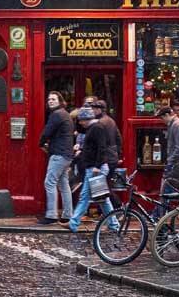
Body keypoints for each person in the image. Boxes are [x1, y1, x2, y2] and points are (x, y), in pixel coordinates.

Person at [67, 103, 118, 232]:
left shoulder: (97, 128)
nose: (80, 123)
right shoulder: (93, 128)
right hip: (94, 167)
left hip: (96, 169)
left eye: (81, 120)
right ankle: (113, 224)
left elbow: (102, 147)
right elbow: (93, 148)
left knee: (85, 197)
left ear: (86, 119)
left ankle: (73, 223)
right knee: (102, 199)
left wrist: (97, 166)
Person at [37, 92, 73, 225]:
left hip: (58, 154)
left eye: (53, 99)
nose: (50, 101)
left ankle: (51, 215)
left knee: (49, 183)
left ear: (60, 101)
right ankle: (67, 214)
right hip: (67, 154)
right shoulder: (66, 114)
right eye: (49, 99)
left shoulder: (56, 115)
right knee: (63, 184)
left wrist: (41, 143)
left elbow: (47, 132)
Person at [158, 105, 179, 198]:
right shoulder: (175, 124)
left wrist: (170, 161)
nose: (162, 120)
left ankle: (163, 207)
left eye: (162, 118)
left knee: (167, 190)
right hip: (177, 163)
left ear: (167, 115)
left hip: (177, 163)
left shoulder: (177, 125)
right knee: (170, 190)